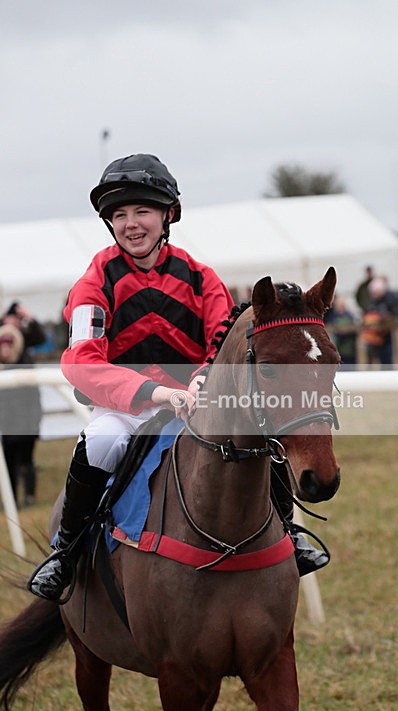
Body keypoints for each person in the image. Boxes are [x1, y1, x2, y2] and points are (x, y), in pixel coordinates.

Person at [28, 153, 326, 603]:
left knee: (259, 433)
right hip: (126, 408)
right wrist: (156, 392)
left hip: (197, 401)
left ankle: (286, 533)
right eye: (119, 214)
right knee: (102, 442)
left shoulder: (202, 278)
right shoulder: (93, 284)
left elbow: (223, 342)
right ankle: (65, 552)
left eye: (142, 211)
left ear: (168, 215)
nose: (131, 224)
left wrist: (203, 380)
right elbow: (82, 362)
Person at [0, 323, 42, 507]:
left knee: (26, 462)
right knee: (8, 464)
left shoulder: (25, 364)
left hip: (25, 424)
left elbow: (34, 396)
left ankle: (29, 496)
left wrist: (34, 422)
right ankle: (11, 499)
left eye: (9, 345)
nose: (5, 350)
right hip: (7, 425)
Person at [360, 277, 398, 366]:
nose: (373, 295)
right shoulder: (373, 302)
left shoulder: (391, 298)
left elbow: (397, 314)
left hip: (386, 338)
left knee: (387, 363)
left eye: (375, 292)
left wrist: (387, 317)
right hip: (373, 339)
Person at [325, 295, 358, 368]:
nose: (340, 306)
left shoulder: (350, 316)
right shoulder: (332, 316)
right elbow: (328, 328)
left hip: (348, 351)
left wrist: (340, 330)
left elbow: (354, 328)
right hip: (336, 351)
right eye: (338, 304)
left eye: (342, 304)